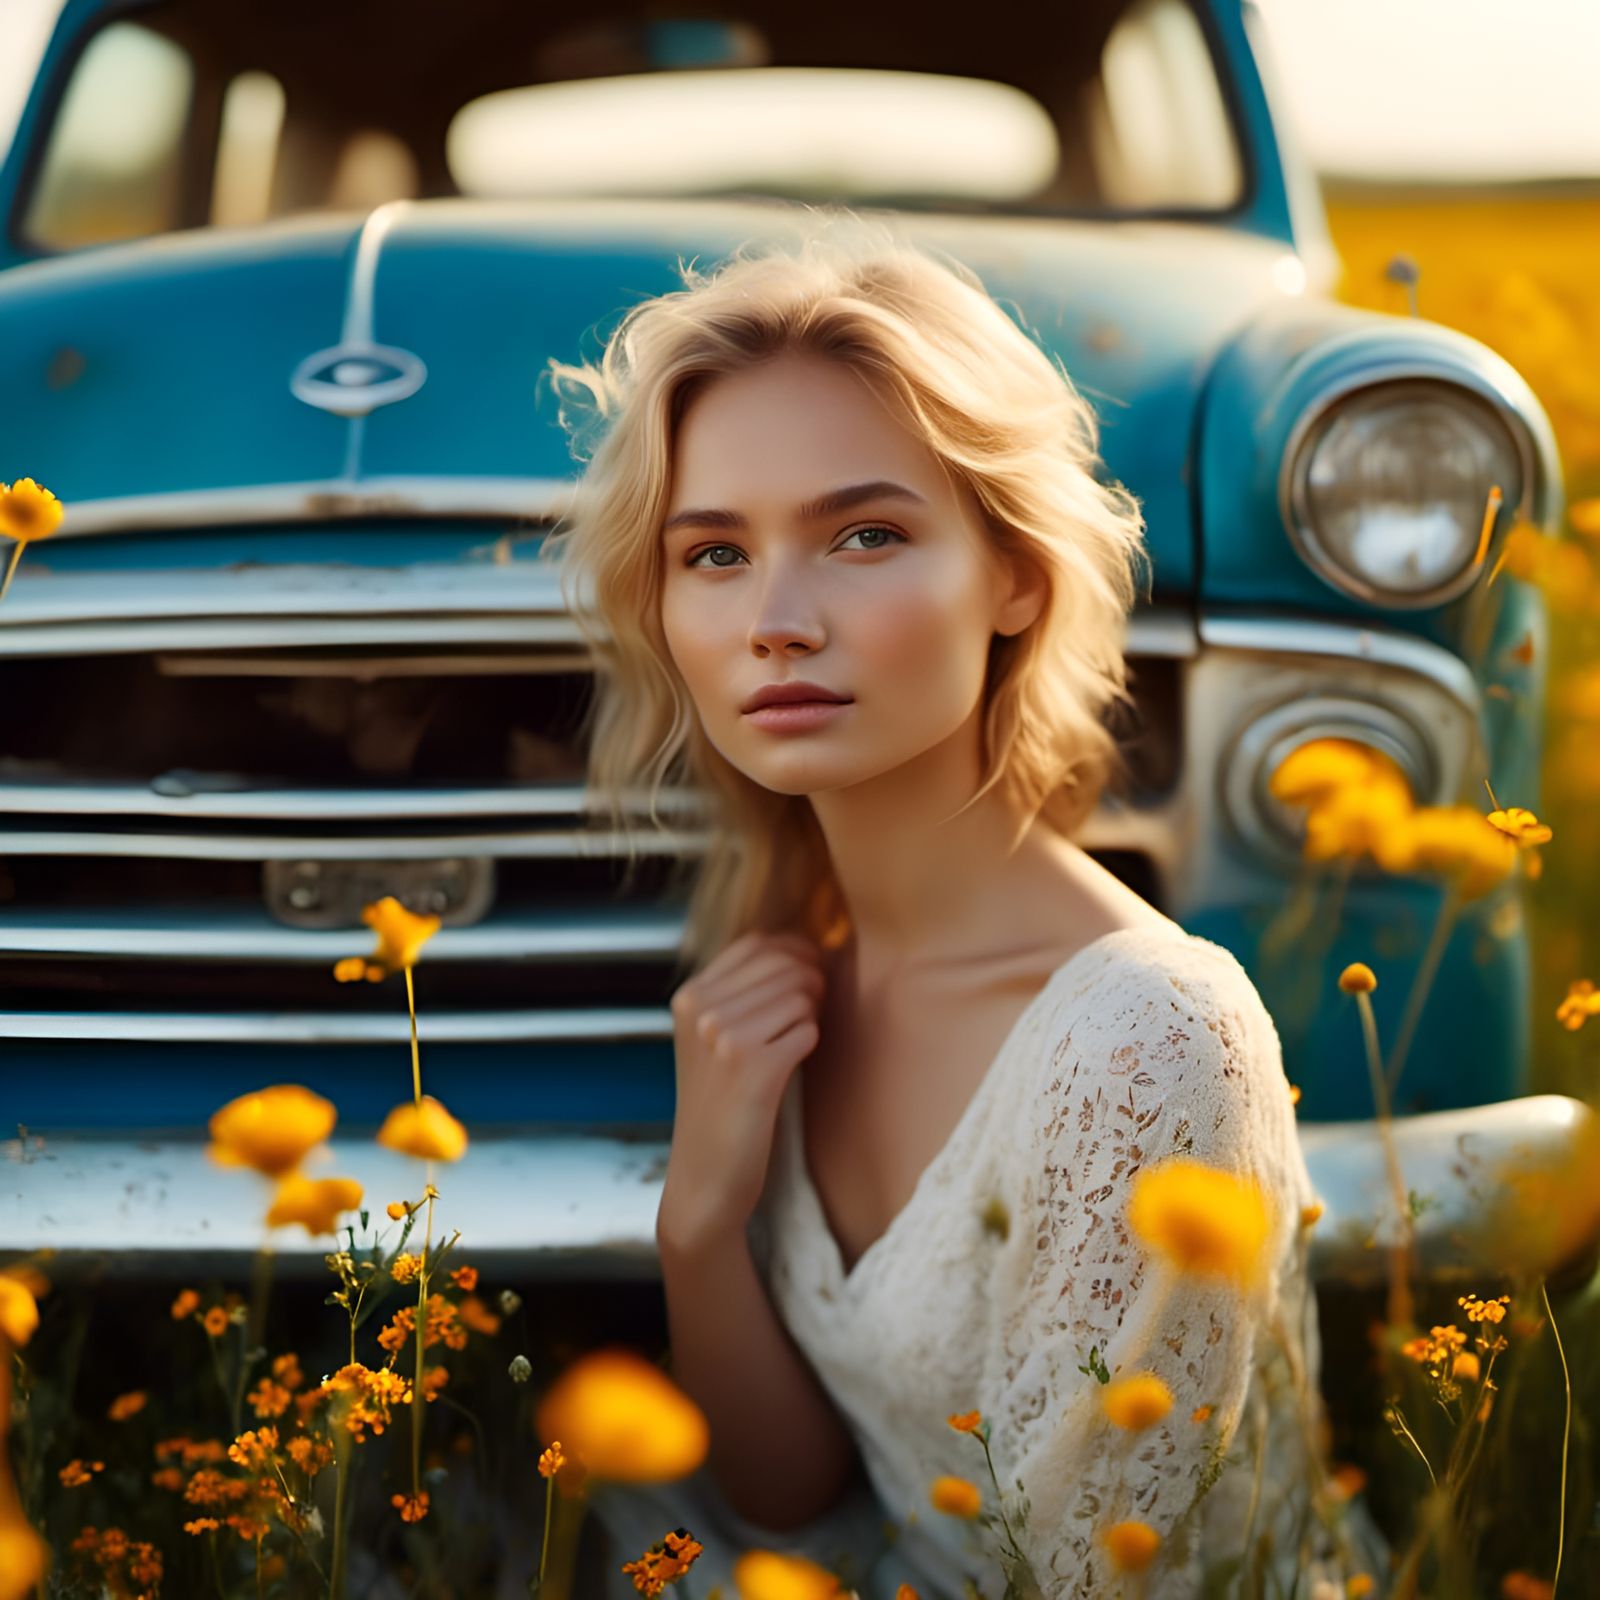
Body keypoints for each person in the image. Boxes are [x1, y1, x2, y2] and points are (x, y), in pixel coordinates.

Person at [538, 210, 1387, 1598]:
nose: (776, 620)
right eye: (714, 553)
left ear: (1013, 578)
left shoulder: (1142, 1042)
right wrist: (701, 1220)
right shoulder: (799, 960)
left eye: (862, 535)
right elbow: (792, 1496)